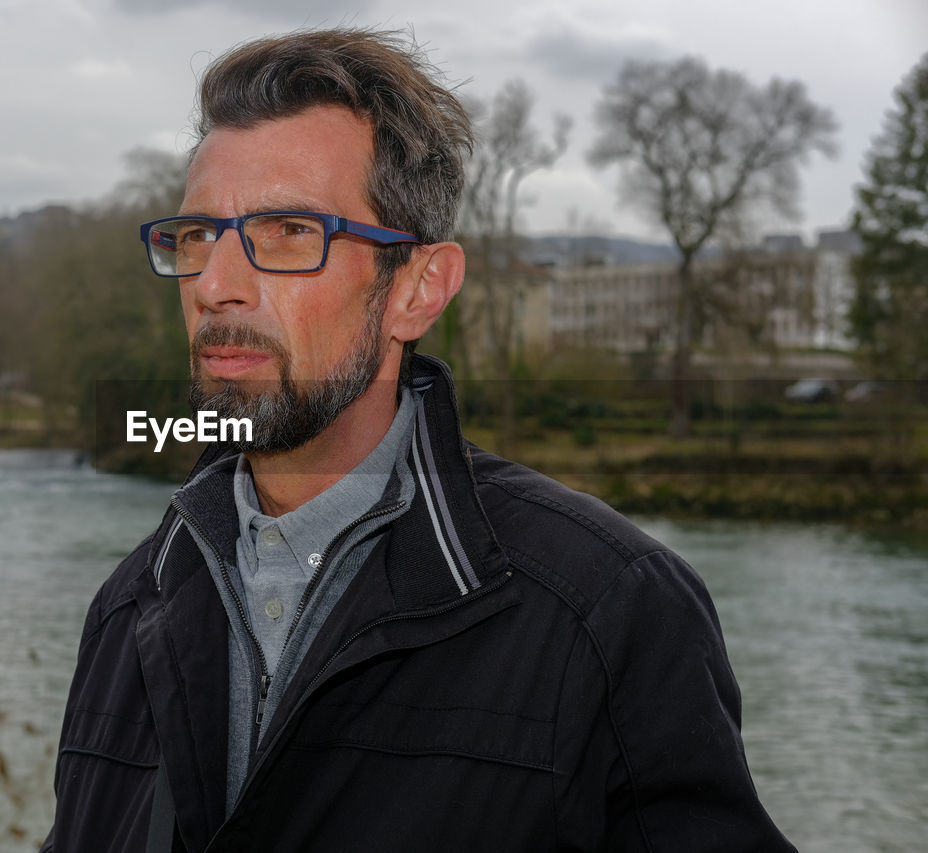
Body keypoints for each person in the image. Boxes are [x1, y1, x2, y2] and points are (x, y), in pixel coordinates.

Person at [42, 27, 794, 853]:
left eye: (289, 232)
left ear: (417, 289)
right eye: (195, 237)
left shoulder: (607, 615)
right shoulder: (130, 606)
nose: (215, 286)